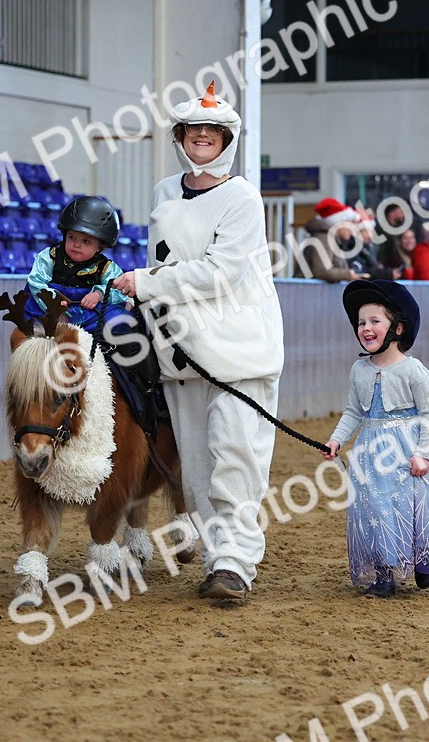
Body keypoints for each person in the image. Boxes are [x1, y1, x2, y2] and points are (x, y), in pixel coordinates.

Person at [111, 82, 283, 601]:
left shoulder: (241, 197)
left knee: (235, 459)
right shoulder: (165, 190)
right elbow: (165, 258)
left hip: (238, 350)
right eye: (193, 130)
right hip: (180, 351)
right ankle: (217, 559)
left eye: (213, 130)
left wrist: (146, 283)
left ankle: (236, 562)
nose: (202, 136)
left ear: (226, 138)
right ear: (181, 137)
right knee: (197, 470)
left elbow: (221, 273)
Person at [323, 280, 429, 597]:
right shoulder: (358, 370)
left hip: (409, 449)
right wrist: (336, 440)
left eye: (375, 321)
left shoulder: (414, 371)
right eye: (362, 322)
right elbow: (353, 411)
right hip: (372, 454)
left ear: (398, 328)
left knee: (418, 505)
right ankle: (384, 575)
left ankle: (424, 559)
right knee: (377, 510)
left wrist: (424, 454)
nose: (366, 327)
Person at [24, 195, 131, 332]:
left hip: (87, 313)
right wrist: (53, 302)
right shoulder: (49, 256)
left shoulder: (107, 268)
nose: (76, 244)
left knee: (118, 317)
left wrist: (98, 295)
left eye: (86, 241)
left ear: (100, 246)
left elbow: (119, 291)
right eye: (72, 237)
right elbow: (35, 281)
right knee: (30, 301)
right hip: (49, 308)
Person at [297, 198, 369, 282]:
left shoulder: (332, 240)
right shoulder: (323, 239)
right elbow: (322, 271)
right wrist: (347, 275)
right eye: (349, 224)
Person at [348, 205, 394, 280]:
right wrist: (383, 273)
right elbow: (360, 273)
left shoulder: (372, 249)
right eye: (366, 232)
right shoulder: (351, 249)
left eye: (371, 232)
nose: (370, 236)